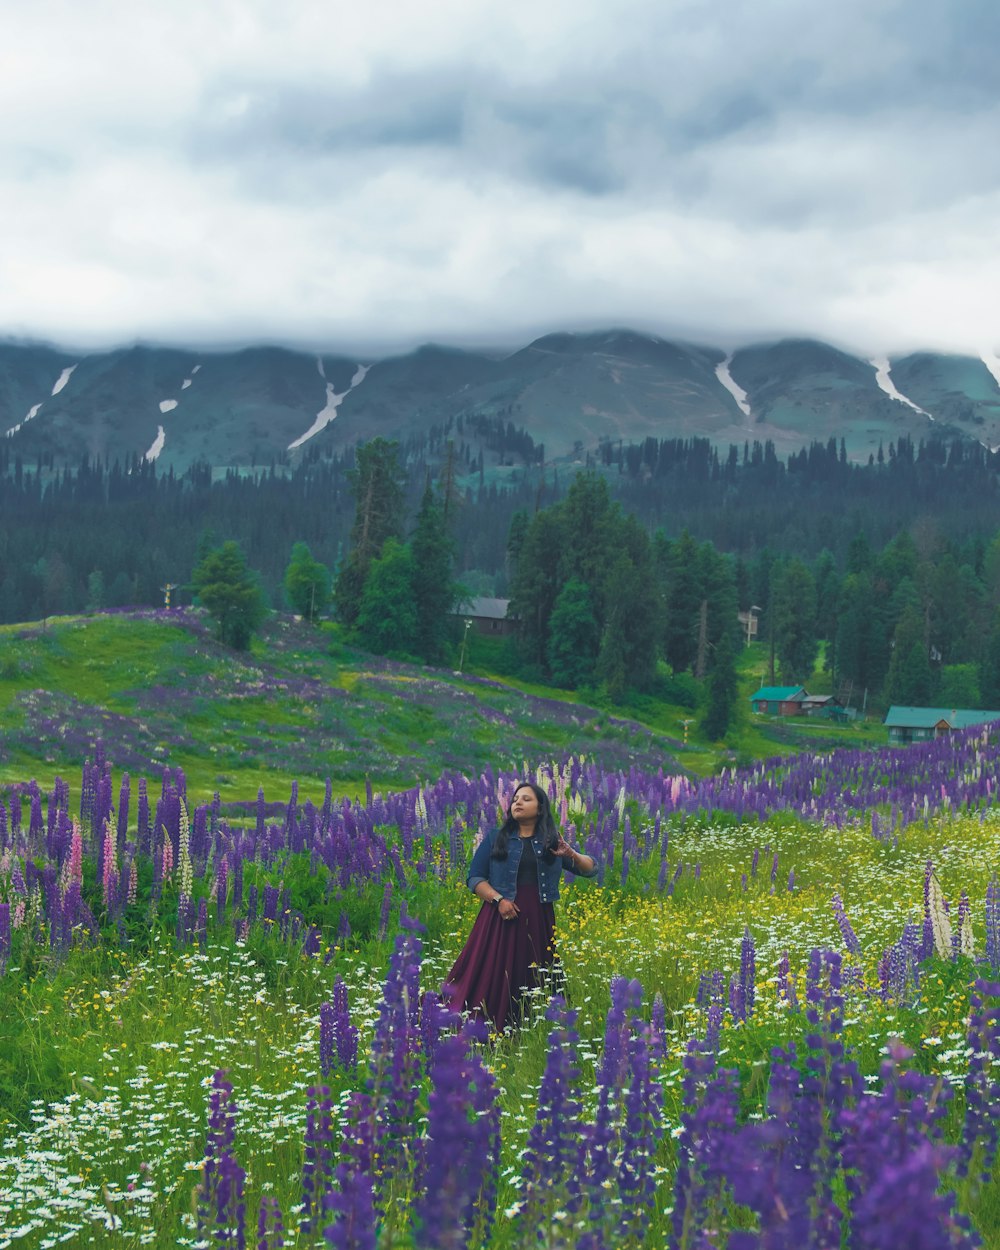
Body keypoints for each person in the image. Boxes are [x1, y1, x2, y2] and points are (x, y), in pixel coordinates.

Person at [445, 781, 597, 1031]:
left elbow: (591, 870)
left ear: (540, 809)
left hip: (539, 917)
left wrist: (571, 854)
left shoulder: (551, 842)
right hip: (500, 916)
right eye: (516, 798)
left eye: (526, 799)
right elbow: (474, 878)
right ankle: (488, 1022)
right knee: (493, 971)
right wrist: (499, 900)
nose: (518, 802)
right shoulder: (496, 837)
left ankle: (534, 1025)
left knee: (537, 971)